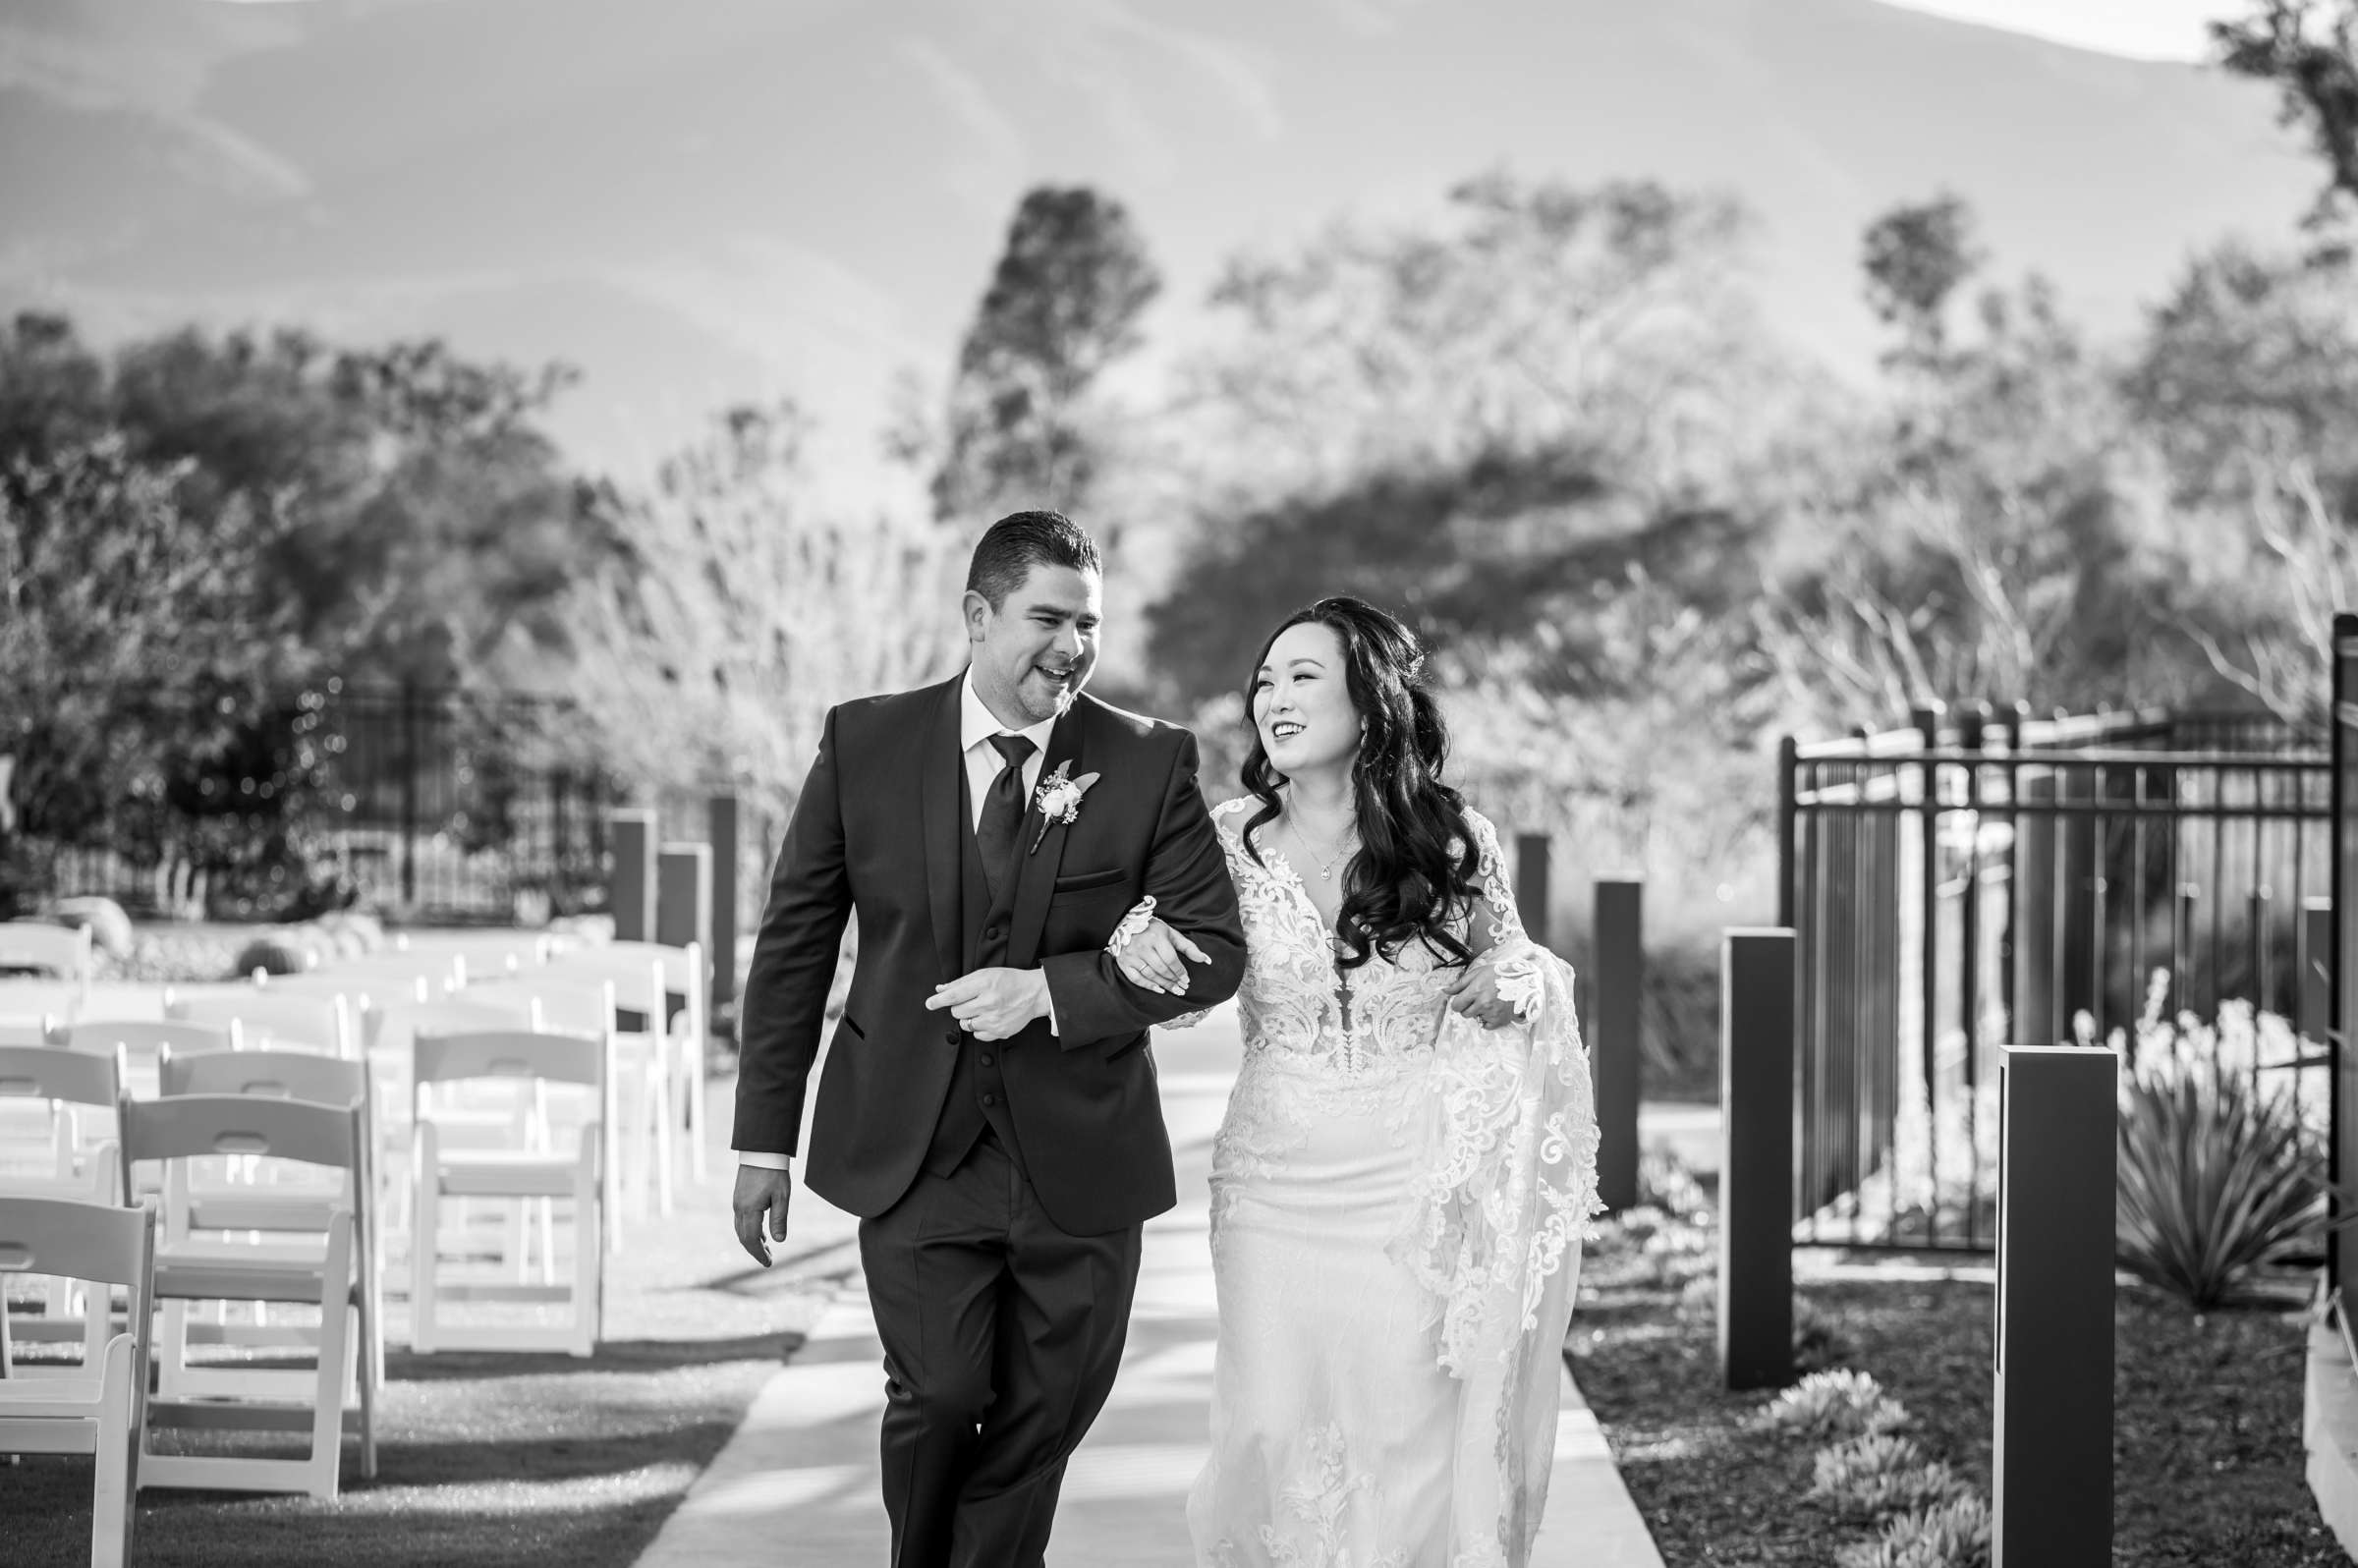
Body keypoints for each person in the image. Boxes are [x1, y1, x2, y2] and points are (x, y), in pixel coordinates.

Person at [729, 509, 1248, 1568]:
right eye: (1047, 618)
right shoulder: (864, 742)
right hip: (913, 1146)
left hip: (1084, 1149)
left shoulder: (1147, 762)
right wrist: (762, 1144)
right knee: (940, 1392)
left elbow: (1211, 946)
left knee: (1052, 1406)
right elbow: (794, 949)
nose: (1072, 647)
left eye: (1089, 625)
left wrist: (1052, 993)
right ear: (977, 614)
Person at [1112, 594, 1600, 1567]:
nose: (1273, 698)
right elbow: (1180, 1002)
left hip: (1412, 1187)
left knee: (1405, 1433)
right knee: (1267, 1426)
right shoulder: (1224, 840)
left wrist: (1522, 976)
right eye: (1264, 680)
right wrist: (1140, 944)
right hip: (1271, 1185)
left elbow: (1512, 967)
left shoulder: (1455, 839)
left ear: (1370, 705)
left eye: (1303, 677)